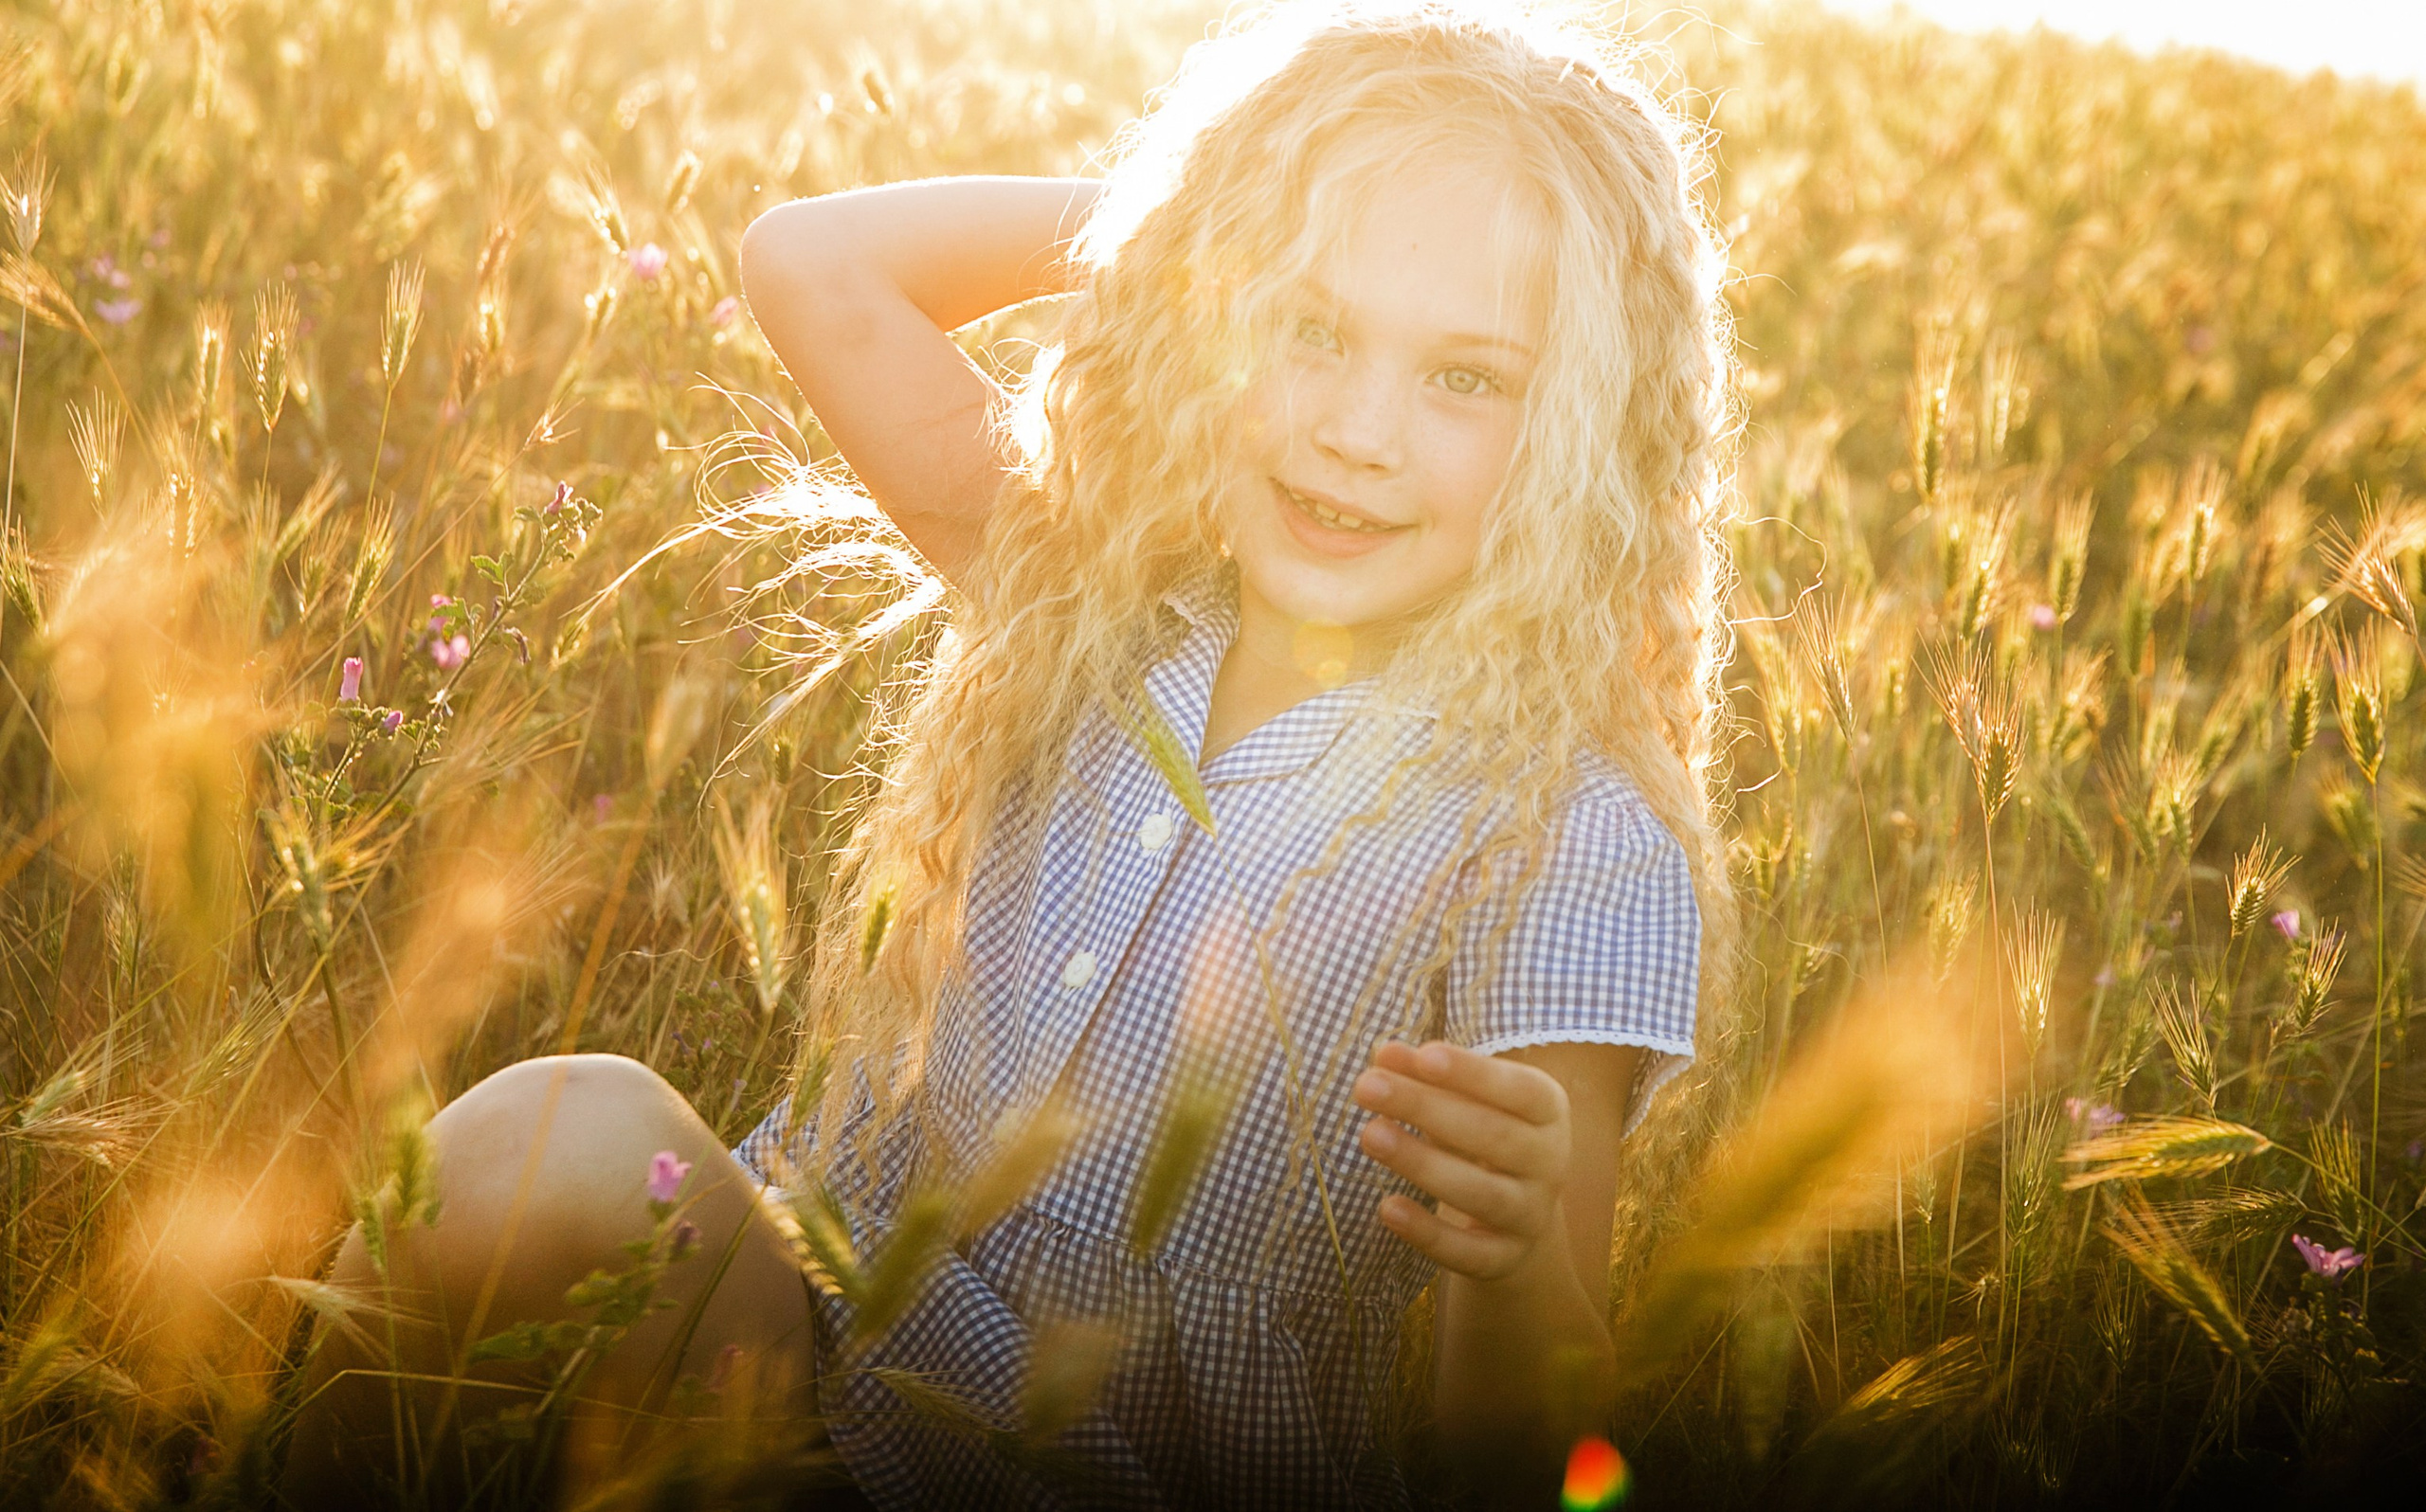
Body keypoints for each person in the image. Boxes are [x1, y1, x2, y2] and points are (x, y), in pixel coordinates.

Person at [281, 1, 1736, 1505]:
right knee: (557, 1138)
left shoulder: (1568, 834)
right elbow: (812, 263)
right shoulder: (1088, 590)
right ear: (1213, 311)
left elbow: (1533, 1448)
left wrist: (1505, 1268)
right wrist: (1192, 213)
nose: (1358, 429)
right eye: (1309, 327)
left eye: (1465, 380)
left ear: (1581, 427)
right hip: (800, 1360)